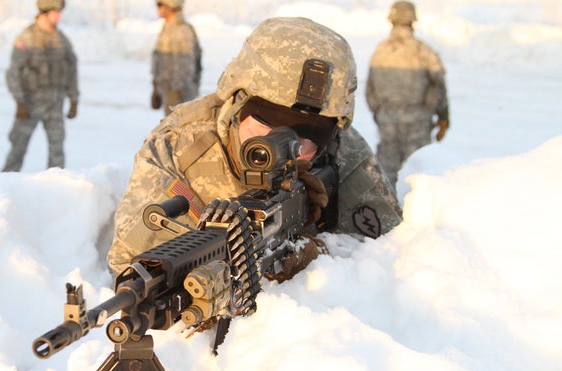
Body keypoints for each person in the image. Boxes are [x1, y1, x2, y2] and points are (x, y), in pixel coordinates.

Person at [108, 17, 402, 277]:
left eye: (311, 132)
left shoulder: (344, 153)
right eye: (267, 120)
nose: (289, 146)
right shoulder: (180, 146)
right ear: (236, 102)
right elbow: (128, 262)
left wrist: (319, 254)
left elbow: (393, 252)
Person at [366, 1, 449, 190]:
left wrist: (381, 114)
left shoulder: (380, 51)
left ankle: (388, 216)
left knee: (385, 178)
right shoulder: (423, 51)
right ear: (413, 21)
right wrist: (443, 116)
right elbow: (439, 84)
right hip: (418, 122)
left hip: (388, 121)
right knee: (420, 175)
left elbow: (369, 90)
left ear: (391, 20)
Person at [2, 0, 79, 172]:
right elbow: (13, 72)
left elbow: (71, 70)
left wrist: (74, 99)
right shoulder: (26, 38)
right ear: (44, 12)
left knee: (57, 151)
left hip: (55, 105)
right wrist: (20, 101)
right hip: (30, 103)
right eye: (55, 12)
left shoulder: (61, 40)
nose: (59, 16)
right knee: (17, 149)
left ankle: (55, 188)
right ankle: (4, 186)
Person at [150, 0, 202, 115]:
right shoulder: (167, 28)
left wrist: (175, 98)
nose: (157, 9)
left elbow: (185, 68)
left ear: (170, 7)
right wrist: (156, 89)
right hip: (168, 93)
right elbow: (160, 60)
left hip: (179, 97)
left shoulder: (181, 30)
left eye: (159, 5)